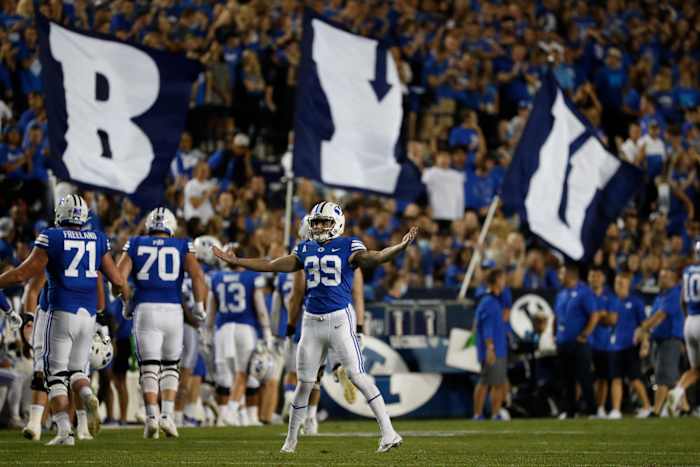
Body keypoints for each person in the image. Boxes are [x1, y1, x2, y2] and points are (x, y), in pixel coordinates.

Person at [213, 202, 416, 453]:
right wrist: (238, 261)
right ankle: (290, 442)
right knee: (304, 383)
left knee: (358, 376)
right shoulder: (305, 248)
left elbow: (374, 258)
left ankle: (388, 432)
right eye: (316, 222)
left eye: (324, 222)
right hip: (310, 322)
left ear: (338, 223)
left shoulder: (348, 244)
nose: (319, 226)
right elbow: (271, 264)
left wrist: (399, 247)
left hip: (340, 320)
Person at [0, 195, 129, 446]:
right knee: (78, 372)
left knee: (55, 375)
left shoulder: (53, 237)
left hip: (60, 312)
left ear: (61, 214)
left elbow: (22, 275)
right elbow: (117, 280)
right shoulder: (98, 239)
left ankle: (64, 431)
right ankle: (86, 394)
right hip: (88, 316)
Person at [116, 207, 207, 439]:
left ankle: (151, 418)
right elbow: (197, 275)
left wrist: (127, 301)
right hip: (173, 310)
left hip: (146, 309)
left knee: (149, 367)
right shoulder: (182, 244)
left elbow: (119, 276)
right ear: (171, 226)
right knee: (170, 365)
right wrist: (199, 305)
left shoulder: (135, 243)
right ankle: (167, 415)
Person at [208, 245, 273, 427]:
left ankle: (225, 416)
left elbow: (211, 310)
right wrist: (267, 332)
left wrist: (207, 332)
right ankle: (231, 411)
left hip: (223, 330)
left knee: (224, 374)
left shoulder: (216, 277)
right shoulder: (251, 277)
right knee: (242, 373)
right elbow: (260, 308)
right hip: (245, 329)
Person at [634, 268, 684, 416]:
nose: (663, 280)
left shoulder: (674, 294)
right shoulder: (660, 297)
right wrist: (647, 338)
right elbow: (654, 320)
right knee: (671, 377)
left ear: (674, 280)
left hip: (670, 339)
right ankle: (685, 408)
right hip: (660, 340)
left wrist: (642, 329)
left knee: (662, 376)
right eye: (662, 277)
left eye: (667, 277)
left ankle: (656, 410)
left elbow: (660, 316)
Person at [555, 263, 599, 418]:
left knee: (584, 377)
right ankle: (570, 410)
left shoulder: (584, 292)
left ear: (570, 274)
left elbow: (594, 315)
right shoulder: (561, 294)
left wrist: (585, 334)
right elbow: (557, 317)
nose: (558, 276)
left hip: (580, 343)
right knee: (567, 379)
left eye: (561, 273)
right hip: (562, 342)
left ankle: (592, 410)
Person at [608, 272, 652, 419]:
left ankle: (647, 406)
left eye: (621, 283)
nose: (618, 285)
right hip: (616, 346)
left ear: (628, 284)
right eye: (616, 283)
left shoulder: (636, 302)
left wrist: (645, 343)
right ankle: (616, 410)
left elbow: (644, 325)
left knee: (635, 379)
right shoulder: (613, 302)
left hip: (631, 346)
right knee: (616, 378)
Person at [668, 242, 700, 415]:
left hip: (689, 322)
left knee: (696, 369)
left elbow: (682, 300)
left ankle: (678, 390)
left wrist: (687, 318)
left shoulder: (688, 271)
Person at [472, 268, 508, 420]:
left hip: (499, 348)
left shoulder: (494, 300)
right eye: (502, 278)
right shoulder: (488, 302)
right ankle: (479, 414)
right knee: (487, 382)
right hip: (493, 349)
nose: (505, 281)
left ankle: (495, 413)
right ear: (497, 281)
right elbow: (486, 327)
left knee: (498, 382)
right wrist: (490, 348)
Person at [588, 266, 617, 419]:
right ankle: (579, 407)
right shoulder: (583, 294)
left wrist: (594, 316)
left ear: (603, 279)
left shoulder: (609, 296)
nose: (595, 279)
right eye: (592, 276)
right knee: (581, 378)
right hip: (586, 342)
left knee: (602, 378)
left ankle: (599, 408)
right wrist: (600, 315)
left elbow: (612, 319)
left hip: (603, 343)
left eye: (598, 276)